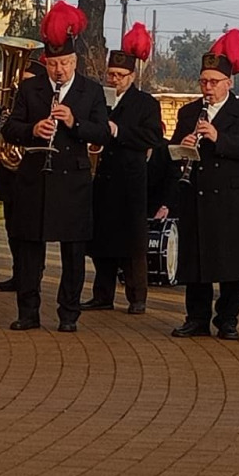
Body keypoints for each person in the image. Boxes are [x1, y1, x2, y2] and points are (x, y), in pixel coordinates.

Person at [1, 1, 110, 332]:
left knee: (73, 254)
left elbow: (102, 131)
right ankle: (28, 312)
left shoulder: (90, 91)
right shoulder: (30, 88)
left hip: (72, 181)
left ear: (74, 61)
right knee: (29, 250)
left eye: (64, 63)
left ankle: (69, 314)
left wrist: (75, 122)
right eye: (53, 64)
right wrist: (33, 128)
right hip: (35, 178)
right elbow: (9, 128)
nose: (59, 70)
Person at [168, 30, 239, 341]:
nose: (207, 88)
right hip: (197, 194)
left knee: (230, 262)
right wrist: (183, 143)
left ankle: (228, 319)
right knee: (196, 261)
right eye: (203, 81)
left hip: (231, 198)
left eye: (213, 82)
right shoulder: (188, 112)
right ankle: (196, 317)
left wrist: (218, 138)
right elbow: (172, 152)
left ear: (228, 83)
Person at [84, 22, 165, 314]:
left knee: (132, 243)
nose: (114, 79)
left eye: (120, 75)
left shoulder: (146, 103)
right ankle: (102, 295)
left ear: (131, 76)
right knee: (102, 239)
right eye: (111, 74)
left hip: (130, 180)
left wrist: (119, 131)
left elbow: (154, 136)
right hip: (103, 178)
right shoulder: (99, 100)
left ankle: (136, 297)